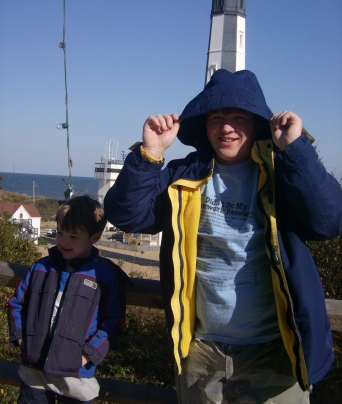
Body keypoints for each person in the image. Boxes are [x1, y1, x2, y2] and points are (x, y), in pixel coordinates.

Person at [104, 69, 342, 404]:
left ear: (257, 123)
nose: (226, 127)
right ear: (204, 125)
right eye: (217, 117)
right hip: (201, 352)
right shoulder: (182, 175)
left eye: (238, 117)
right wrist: (150, 154)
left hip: (276, 351)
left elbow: (328, 222)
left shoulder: (281, 173)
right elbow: (128, 215)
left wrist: (296, 148)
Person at [8, 195, 127, 404]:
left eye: (73, 236)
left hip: (76, 378)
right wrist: (21, 338)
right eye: (60, 233)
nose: (63, 241)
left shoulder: (105, 276)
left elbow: (113, 323)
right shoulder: (40, 267)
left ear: (95, 237)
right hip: (34, 374)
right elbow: (16, 303)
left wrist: (87, 355)